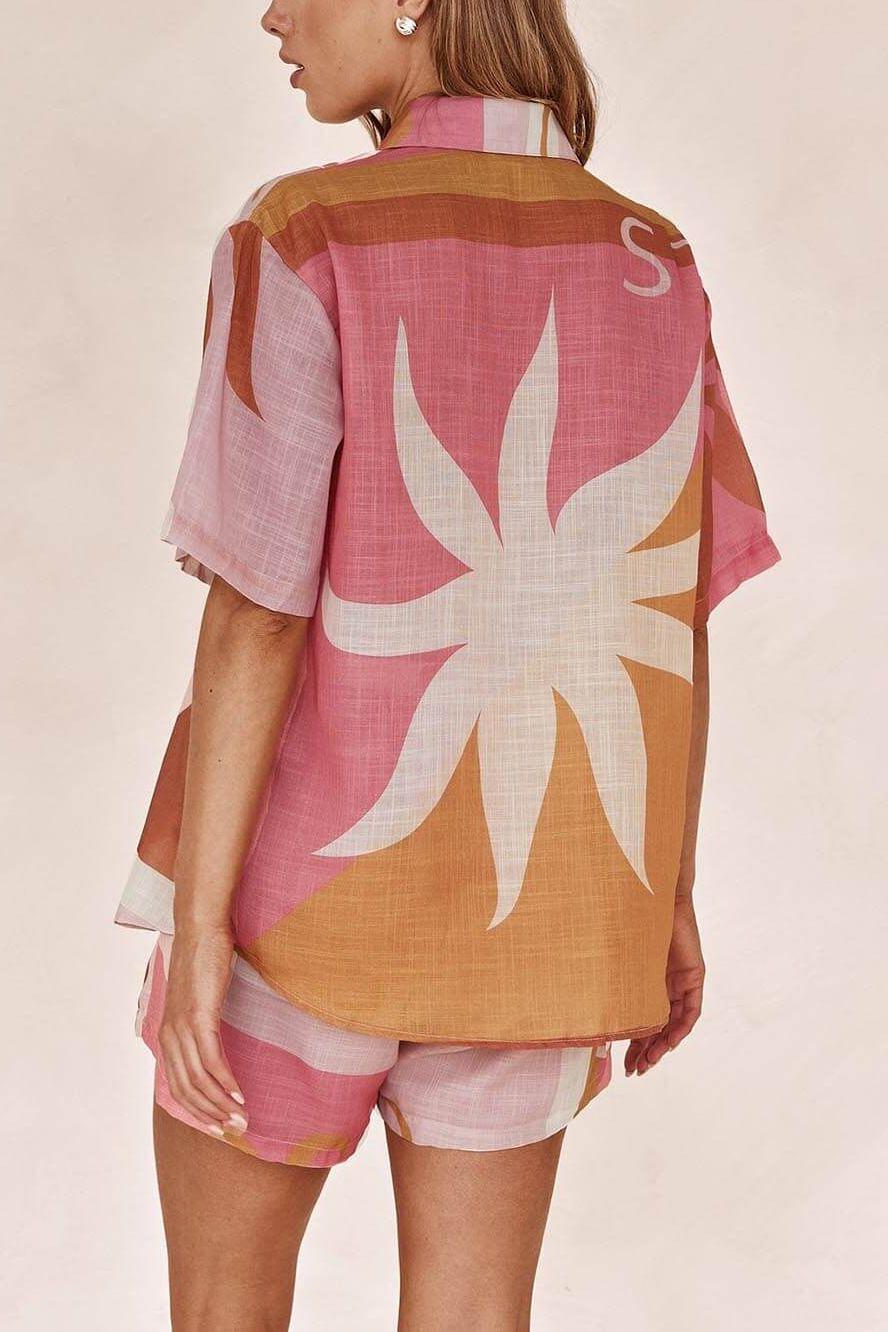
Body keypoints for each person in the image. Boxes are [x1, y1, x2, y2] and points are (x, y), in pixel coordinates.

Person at [114, 0, 781, 1326]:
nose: (273, 14)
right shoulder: (652, 255)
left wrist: (199, 931)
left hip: (292, 901)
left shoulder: (307, 234)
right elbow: (661, 615)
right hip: (548, 917)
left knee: (224, 1309)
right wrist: (667, 894)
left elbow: (258, 612)